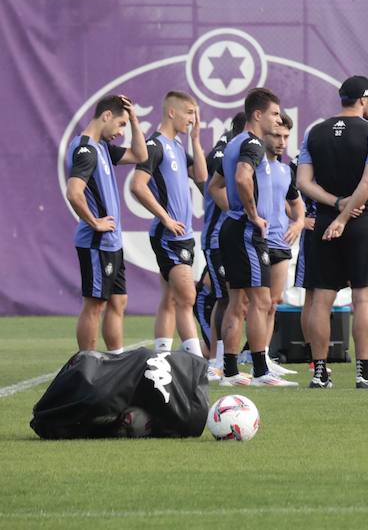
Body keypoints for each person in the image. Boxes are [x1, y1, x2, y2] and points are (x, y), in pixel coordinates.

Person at [295, 75, 368, 390]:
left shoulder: (315, 132)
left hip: (322, 221)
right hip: (360, 223)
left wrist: (336, 208)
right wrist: (346, 214)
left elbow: (304, 183)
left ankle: (320, 373)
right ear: (364, 100)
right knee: (363, 299)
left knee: (321, 298)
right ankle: (364, 374)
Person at [211, 87, 295, 387]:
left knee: (239, 303)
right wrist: (251, 213)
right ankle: (261, 372)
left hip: (233, 229)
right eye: (274, 113)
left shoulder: (234, 144)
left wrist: (235, 211)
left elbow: (215, 184)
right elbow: (241, 178)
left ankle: (230, 372)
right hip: (246, 232)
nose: (277, 119)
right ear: (257, 115)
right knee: (260, 301)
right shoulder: (253, 145)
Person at [65, 94, 148, 353]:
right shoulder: (86, 149)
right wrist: (94, 222)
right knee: (95, 305)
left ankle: (115, 361)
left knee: (118, 300)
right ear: (106, 116)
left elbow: (139, 154)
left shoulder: (101, 148)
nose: (121, 132)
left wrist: (134, 119)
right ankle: (86, 365)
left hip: (111, 242)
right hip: (97, 241)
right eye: (121, 124)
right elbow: (74, 192)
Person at [130, 91, 207, 358]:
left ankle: (161, 357)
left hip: (181, 234)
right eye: (189, 113)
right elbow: (136, 186)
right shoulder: (155, 146)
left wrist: (195, 139)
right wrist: (164, 217)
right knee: (187, 298)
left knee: (171, 298)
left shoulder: (177, 146)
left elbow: (201, 176)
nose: (192, 119)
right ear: (172, 112)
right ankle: (197, 362)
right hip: (169, 234)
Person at [259, 113, 305, 376]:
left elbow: (295, 202)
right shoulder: (251, 164)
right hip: (257, 242)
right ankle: (235, 359)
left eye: (286, 137)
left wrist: (298, 223)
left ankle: (264, 358)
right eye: (276, 135)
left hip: (280, 243)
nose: (281, 142)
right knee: (254, 303)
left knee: (273, 302)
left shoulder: (285, 169)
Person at [202, 112, 244, 380]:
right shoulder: (223, 154)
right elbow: (214, 190)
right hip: (218, 238)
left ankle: (235, 357)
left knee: (238, 298)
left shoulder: (237, 151)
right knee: (225, 296)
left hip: (232, 236)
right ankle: (216, 360)